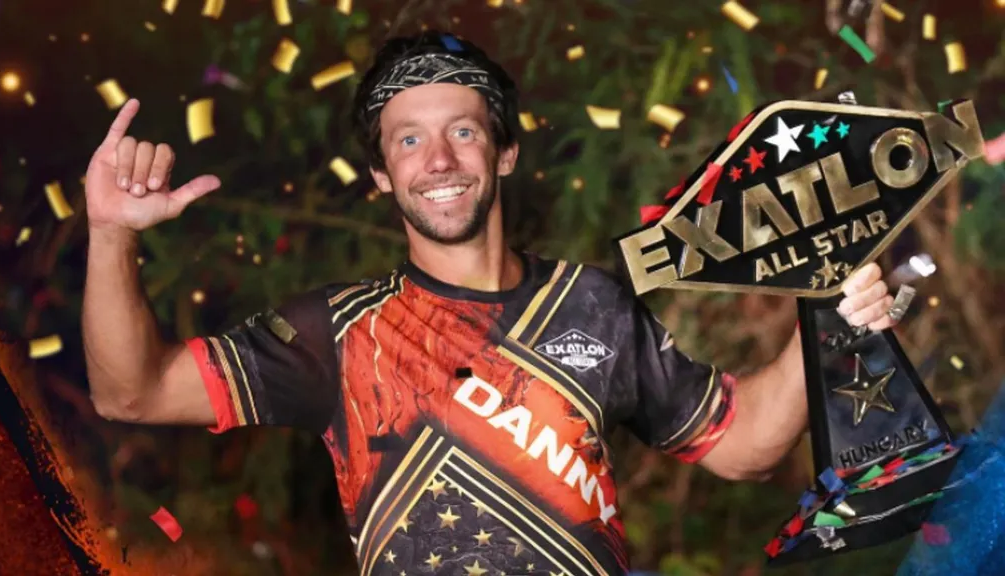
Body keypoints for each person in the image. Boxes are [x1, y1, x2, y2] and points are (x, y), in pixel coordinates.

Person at [82, 32, 898, 576]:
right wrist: (112, 232)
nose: (438, 159)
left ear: (505, 152)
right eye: (408, 140)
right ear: (381, 176)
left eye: (464, 132)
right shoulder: (339, 330)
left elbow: (745, 446)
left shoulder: (593, 304)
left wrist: (831, 316)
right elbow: (132, 392)